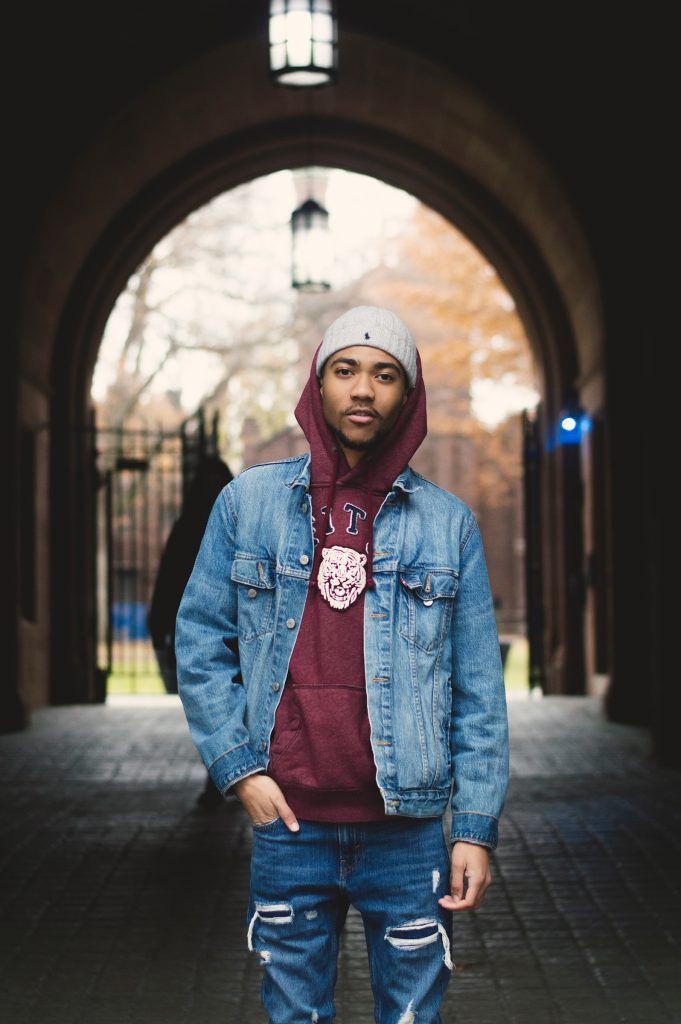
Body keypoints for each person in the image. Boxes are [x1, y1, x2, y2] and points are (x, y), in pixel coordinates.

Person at [175, 306, 509, 1023]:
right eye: (346, 370)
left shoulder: (447, 524)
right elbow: (199, 638)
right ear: (318, 385)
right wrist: (240, 771)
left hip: (408, 831)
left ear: (406, 396)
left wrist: (473, 828)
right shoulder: (248, 504)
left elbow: (479, 688)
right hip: (290, 828)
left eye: (384, 375)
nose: (363, 389)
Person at [148, 455, 233, 807]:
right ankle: (225, 774)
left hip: (222, 630)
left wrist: (158, 624)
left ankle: (225, 774)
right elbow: (170, 580)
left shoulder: (202, 524)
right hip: (219, 630)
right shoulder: (225, 522)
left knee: (214, 702)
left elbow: (168, 581)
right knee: (219, 702)